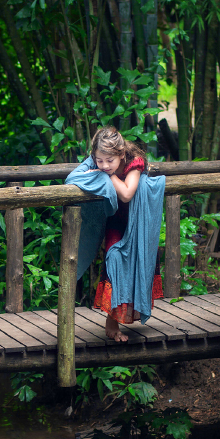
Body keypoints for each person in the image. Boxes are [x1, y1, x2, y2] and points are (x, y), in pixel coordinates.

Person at [81, 126, 164, 342]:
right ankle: (112, 321)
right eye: (99, 160)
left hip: (137, 221)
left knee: (134, 264)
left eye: (110, 160)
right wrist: (95, 172)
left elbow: (127, 193)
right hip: (115, 220)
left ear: (121, 154)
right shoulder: (97, 161)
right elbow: (74, 176)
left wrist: (103, 176)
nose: (104, 165)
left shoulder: (134, 161)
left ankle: (124, 315)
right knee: (114, 259)